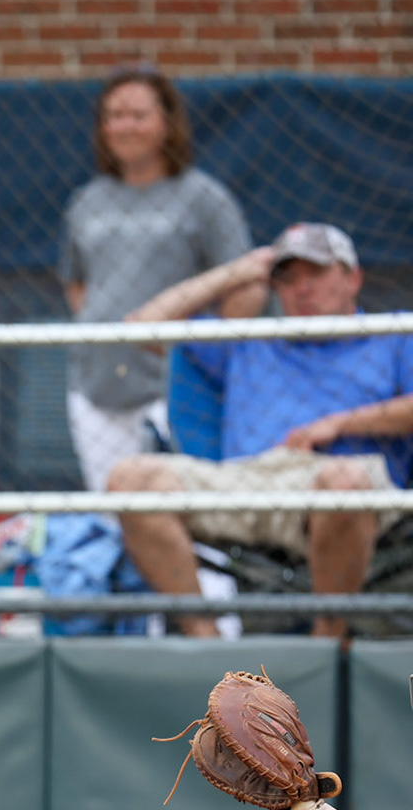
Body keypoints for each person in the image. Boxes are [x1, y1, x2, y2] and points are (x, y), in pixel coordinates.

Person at [107, 223, 413, 640]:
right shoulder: (250, 339)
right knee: (130, 480)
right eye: (287, 278)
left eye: (316, 273)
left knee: (344, 484)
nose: (302, 288)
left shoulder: (392, 334)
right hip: (247, 481)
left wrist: (342, 422)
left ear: (352, 278)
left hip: (340, 478)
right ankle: (208, 645)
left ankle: (327, 641)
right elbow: (141, 327)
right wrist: (236, 272)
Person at [60, 67, 258, 493]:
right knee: (112, 509)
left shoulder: (204, 197)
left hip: (170, 387)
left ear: (167, 123)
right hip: (94, 386)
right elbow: (75, 283)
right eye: (113, 115)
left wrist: (206, 351)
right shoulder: (86, 201)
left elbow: (244, 283)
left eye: (137, 114)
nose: (123, 126)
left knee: (171, 510)